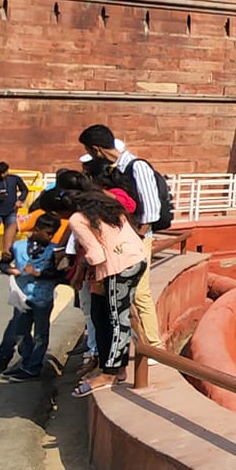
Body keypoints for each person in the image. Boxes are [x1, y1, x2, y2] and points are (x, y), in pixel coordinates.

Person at [77, 126, 161, 346]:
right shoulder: (115, 168)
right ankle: (136, 343)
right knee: (121, 294)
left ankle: (154, 346)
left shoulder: (137, 167)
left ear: (95, 148)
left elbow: (150, 211)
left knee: (139, 293)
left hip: (137, 239)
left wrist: (136, 240)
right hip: (123, 240)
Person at [64, 190, 148, 397]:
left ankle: (109, 373)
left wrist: (81, 270)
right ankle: (113, 368)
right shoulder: (106, 207)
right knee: (101, 316)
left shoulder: (77, 219)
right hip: (132, 260)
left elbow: (95, 254)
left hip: (116, 267)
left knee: (116, 320)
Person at [0, 214, 64, 383]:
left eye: (53, 234)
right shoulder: (18, 246)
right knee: (20, 332)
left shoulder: (54, 250)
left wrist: (40, 274)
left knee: (40, 333)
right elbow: (3, 264)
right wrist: (10, 270)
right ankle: (27, 361)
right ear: (36, 230)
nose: (50, 237)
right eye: (48, 233)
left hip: (43, 298)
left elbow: (61, 273)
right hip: (22, 297)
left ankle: (33, 367)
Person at [0, 163, 28, 274]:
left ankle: (7, 257)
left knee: (10, 234)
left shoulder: (14, 179)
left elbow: (25, 190)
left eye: (4, 173)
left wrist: (20, 200)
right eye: (1, 173)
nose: (3, 175)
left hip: (11, 211)